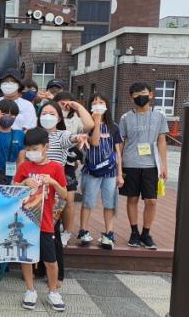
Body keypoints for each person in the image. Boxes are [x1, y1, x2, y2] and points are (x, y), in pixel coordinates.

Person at [17, 101, 87, 281]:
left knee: (51, 233)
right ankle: (38, 269)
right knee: (34, 229)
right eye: (44, 113)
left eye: (52, 113)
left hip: (53, 189)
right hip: (34, 191)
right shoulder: (34, 135)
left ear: (59, 117)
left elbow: (74, 138)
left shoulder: (62, 135)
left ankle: (57, 275)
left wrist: (79, 137)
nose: (47, 116)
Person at [13, 127, 67, 312]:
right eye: (28, 149)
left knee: (50, 260)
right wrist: (23, 183)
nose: (31, 152)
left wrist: (53, 182)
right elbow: (13, 188)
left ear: (46, 147)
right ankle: (30, 290)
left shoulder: (56, 167)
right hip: (26, 219)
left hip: (45, 222)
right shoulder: (24, 167)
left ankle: (53, 292)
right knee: (26, 257)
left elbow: (65, 195)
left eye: (35, 148)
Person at [119, 82, 168, 250]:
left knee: (151, 200)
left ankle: (146, 233)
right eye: (136, 94)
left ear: (151, 94)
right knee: (132, 198)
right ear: (131, 98)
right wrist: (119, 167)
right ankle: (134, 232)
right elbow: (121, 142)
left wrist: (163, 165)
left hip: (151, 164)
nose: (141, 97)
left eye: (144, 93)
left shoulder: (160, 116)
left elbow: (162, 140)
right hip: (130, 163)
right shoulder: (126, 118)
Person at [78, 94, 123, 250]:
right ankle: (83, 231)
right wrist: (96, 122)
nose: (98, 104)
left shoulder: (114, 127)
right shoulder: (87, 125)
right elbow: (95, 142)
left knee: (109, 203)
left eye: (101, 102)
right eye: (94, 102)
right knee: (88, 201)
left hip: (110, 171)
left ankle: (109, 233)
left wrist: (120, 174)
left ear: (107, 106)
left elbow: (118, 152)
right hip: (92, 170)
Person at [53, 91, 95, 246]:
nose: (65, 106)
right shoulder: (49, 118)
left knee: (68, 200)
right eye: (61, 102)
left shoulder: (75, 120)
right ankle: (53, 228)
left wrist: (77, 106)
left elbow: (90, 125)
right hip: (50, 163)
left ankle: (67, 232)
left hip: (68, 165)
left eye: (68, 103)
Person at [0, 99, 25, 185]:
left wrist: (17, 180)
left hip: (10, 177)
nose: (8, 117)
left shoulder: (20, 134)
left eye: (12, 115)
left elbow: (21, 161)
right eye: (4, 114)